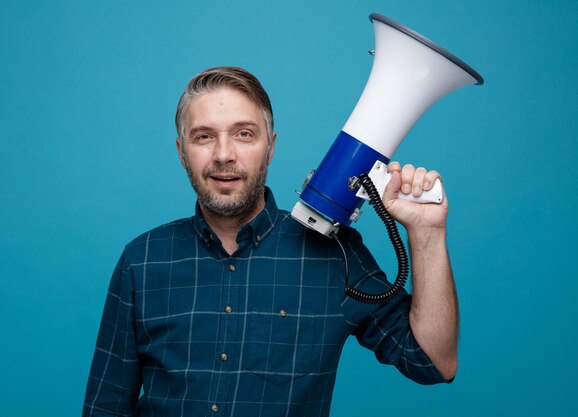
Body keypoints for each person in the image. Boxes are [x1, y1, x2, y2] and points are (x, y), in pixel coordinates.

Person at [82, 66, 458, 417]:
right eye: (204, 137)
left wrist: (427, 234)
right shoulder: (142, 260)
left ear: (271, 146)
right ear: (182, 152)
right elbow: (105, 406)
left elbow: (432, 361)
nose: (224, 155)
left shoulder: (337, 255)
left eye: (244, 134)